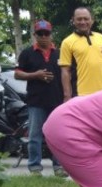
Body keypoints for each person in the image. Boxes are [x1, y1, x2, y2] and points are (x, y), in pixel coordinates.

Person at [14, 20, 67, 177]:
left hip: (57, 101)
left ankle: (59, 166)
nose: (43, 36)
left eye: (47, 33)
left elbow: (67, 75)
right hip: (36, 102)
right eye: (40, 33)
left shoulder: (60, 53)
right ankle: (35, 167)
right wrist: (35, 75)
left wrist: (67, 96)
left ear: (51, 34)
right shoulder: (27, 53)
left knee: (57, 135)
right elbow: (17, 74)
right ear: (34, 35)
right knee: (35, 135)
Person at [59, 7, 102, 101]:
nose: (83, 22)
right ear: (73, 20)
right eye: (79, 19)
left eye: (86, 19)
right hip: (81, 95)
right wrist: (67, 96)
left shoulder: (101, 38)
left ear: (92, 20)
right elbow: (65, 71)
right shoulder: (67, 42)